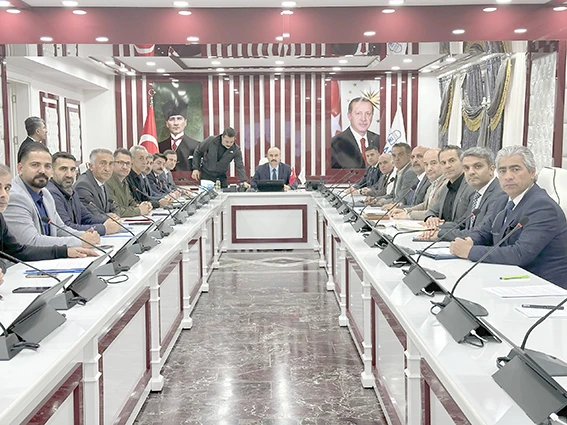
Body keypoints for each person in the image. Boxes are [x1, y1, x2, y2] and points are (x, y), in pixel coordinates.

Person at [450, 146, 567, 288]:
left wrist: (469, 251)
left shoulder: (542, 206)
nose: (508, 176)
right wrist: (469, 241)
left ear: (532, 172)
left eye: (515, 169)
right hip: (510, 279)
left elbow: (520, 254)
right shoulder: (503, 201)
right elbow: (484, 232)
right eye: (502, 171)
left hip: (543, 287)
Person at [3, 142, 101, 248]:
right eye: (35, 165)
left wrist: (85, 235)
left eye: (47, 166)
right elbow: (30, 242)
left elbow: (59, 229)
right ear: (20, 169)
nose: (42, 171)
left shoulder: (45, 194)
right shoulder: (13, 196)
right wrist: (80, 241)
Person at [0, 164, 96, 266]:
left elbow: (17, 251)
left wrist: (65, 251)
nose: (3, 194)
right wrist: (79, 241)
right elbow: (29, 243)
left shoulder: (0, 218)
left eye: (7, 188)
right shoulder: (18, 198)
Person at [47, 152, 121, 236]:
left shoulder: (71, 191)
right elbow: (66, 228)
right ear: (51, 171)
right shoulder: (51, 193)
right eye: (63, 169)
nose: (69, 174)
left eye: (72, 169)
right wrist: (104, 229)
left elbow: (87, 218)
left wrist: (111, 221)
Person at [438, 147, 504, 240]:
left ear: (491, 169)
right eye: (466, 168)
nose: (471, 172)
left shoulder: (499, 194)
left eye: (478, 166)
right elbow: (462, 224)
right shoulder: (477, 193)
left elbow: (481, 232)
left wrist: (439, 234)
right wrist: (433, 229)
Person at [423, 145, 475, 233]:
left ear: (462, 162)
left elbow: (464, 223)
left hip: (459, 236)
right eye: (443, 163)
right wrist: (431, 218)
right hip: (441, 235)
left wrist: (439, 226)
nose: (447, 166)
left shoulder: (471, 187)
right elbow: (432, 211)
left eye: (452, 161)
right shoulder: (445, 189)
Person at [331, 97, 380, 169]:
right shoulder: (335, 144)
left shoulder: (379, 140)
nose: (363, 119)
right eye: (358, 113)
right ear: (349, 116)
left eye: (368, 113)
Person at [106, 148, 153, 218]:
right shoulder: (107, 182)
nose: (125, 167)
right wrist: (139, 210)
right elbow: (115, 210)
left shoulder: (124, 181)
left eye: (128, 163)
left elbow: (130, 202)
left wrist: (143, 206)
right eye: (121, 163)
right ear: (112, 163)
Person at [75, 148, 120, 219]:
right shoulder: (83, 185)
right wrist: (108, 217)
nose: (107, 169)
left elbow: (113, 207)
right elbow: (90, 215)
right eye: (103, 164)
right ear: (91, 166)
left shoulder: (103, 182)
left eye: (110, 164)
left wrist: (115, 215)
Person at [158, 99, 200, 172]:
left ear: (185, 122)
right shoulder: (159, 147)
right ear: (167, 124)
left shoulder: (196, 146)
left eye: (179, 119)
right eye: (172, 119)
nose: (176, 123)